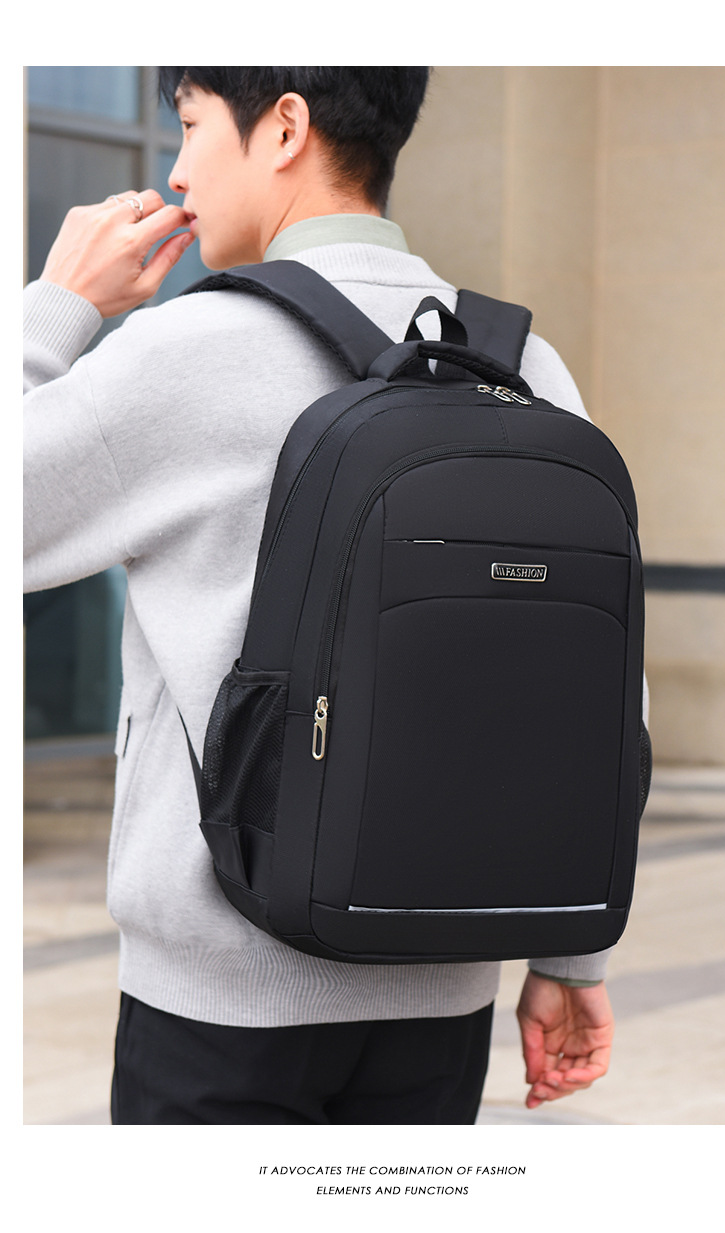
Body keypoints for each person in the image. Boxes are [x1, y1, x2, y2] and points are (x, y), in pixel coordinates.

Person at [24, 66, 616, 1125]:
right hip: (444, 984)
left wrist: (55, 309)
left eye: (192, 125)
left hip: (218, 999)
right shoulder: (525, 365)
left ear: (285, 127)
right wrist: (572, 954)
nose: (177, 171)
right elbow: (601, 686)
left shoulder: (185, 351)